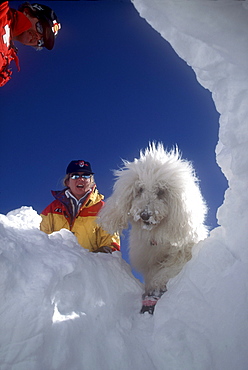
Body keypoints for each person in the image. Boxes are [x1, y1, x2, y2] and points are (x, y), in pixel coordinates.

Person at [40, 160, 120, 254]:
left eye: (86, 176)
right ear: (67, 182)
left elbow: (111, 245)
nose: (81, 179)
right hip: (57, 266)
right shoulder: (52, 209)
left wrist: (92, 261)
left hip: (91, 267)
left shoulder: (104, 210)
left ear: (91, 181)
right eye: (75, 175)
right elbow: (39, 237)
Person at [0, 1, 61, 87]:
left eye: (42, 40)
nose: (38, 37)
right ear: (27, 12)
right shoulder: (2, 11)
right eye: (41, 28)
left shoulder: (6, 61)